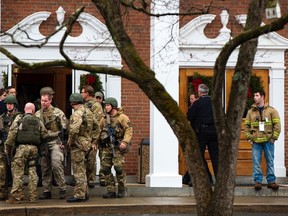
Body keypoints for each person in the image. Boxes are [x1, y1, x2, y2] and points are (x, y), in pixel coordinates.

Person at [4, 103, 59, 204]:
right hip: (34, 149)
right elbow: (44, 135)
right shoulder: (38, 121)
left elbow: (12, 134)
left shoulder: (19, 119)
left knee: (18, 172)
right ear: (33, 111)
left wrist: (7, 147)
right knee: (33, 172)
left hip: (21, 148)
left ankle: (16, 197)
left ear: (25, 109)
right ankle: (33, 196)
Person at [244, 90, 281, 191]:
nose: (255, 97)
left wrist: (274, 137)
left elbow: (277, 125)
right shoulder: (250, 112)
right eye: (254, 95)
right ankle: (258, 181)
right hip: (256, 141)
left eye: (257, 95)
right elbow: (246, 126)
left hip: (268, 141)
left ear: (262, 97)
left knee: (270, 161)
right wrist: (249, 138)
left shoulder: (271, 111)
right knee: (256, 161)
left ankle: (271, 181)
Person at [66, 93, 99, 203]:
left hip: (78, 146)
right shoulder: (89, 112)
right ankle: (85, 193)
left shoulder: (77, 114)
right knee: (84, 170)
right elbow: (97, 127)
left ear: (72, 103)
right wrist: (93, 140)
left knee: (78, 171)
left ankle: (79, 195)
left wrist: (70, 142)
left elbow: (74, 129)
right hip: (88, 145)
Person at [35, 92, 67, 199]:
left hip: (55, 141)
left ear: (50, 101)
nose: (43, 103)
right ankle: (46, 190)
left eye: (45, 101)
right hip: (44, 143)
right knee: (45, 167)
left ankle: (62, 188)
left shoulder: (58, 113)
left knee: (56, 164)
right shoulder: (38, 114)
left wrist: (63, 142)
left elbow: (64, 129)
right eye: (42, 100)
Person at [99, 97, 133, 198]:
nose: (106, 107)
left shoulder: (122, 117)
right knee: (105, 169)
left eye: (108, 105)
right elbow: (98, 131)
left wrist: (125, 142)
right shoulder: (104, 118)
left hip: (118, 147)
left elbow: (129, 130)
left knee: (118, 168)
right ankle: (111, 190)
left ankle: (122, 189)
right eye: (105, 105)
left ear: (113, 106)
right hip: (106, 147)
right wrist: (95, 143)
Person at [187, 84, 218, 184]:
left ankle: (202, 179)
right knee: (215, 156)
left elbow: (189, 116)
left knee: (199, 156)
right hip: (214, 132)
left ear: (200, 92)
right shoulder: (214, 102)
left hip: (202, 133)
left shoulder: (198, 103)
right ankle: (219, 180)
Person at [81, 85, 103, 188]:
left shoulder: (96, 105)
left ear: (87, 93)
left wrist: (95, 141)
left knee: (91, 159)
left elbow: (98, 124)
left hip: (92, 137)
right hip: (83, 137)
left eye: (82, 92)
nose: (81, 94)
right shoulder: (83, 105)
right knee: (83, 159)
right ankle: (84, 179)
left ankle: (91, 180)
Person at [0, 95, 21, 200]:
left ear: (14, 105)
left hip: (16, 148)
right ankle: (3, 192)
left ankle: (17, 194)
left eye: (11, 104)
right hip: (3, 148)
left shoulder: (19, 117)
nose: (9, 106)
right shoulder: (1, 118)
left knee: (16, 172)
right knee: (2, 170)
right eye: (7, 104)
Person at [183, 92, 198, 187]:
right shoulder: (192, 108)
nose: (190, 101)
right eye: (190, 99)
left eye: (192, 99)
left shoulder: (197, 107)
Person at [94, 91, 108, 186]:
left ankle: (103, 178)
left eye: (100, 98)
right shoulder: (91, 109)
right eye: (97, 98)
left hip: (103, 137)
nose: (98, 100)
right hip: (94, 137)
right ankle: (91, 178)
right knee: (91, 158)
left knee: (103, 158)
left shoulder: (106, 110)